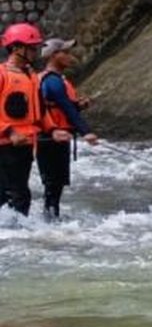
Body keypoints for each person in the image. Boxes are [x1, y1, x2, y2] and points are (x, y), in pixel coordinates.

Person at [0, 23, 71, 216]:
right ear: (16, 48)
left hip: (24, 145)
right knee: (15, 196)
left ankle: (14, 228)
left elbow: (39, 110)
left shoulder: (31, 76)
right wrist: (10, 132)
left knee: (17, 194)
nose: (35, 52)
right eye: (31, 48)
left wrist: (53, 130)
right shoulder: (2, 74)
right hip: (5, 145)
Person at [36, 38, 99, 219]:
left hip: (54, 136)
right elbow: (66, 109)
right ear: (54, 56)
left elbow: (64, 107)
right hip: (52, 137)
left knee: (54, 184)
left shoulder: (53, 79)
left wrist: (78, 106)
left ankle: (50, 218)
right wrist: (86, 132)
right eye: (65, 53)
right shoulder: (53, 81)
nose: (70, 57)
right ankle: (50, 219)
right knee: (54, 183)